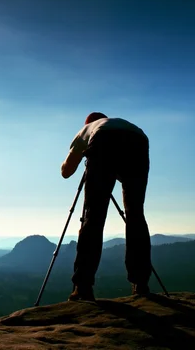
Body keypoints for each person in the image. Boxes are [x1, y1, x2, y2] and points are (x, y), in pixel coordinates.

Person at [61, 112, 152, 301]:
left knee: (94, 216)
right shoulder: (122, 124)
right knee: (135, 214)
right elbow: (125, 173)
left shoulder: (87, 130)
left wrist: (93, 164)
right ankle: (141, 283)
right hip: (140, 142)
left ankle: (83, 286)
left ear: (88, 123)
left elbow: (66, 172)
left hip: (104, 141)